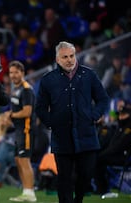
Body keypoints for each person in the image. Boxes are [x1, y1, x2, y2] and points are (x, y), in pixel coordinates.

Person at [35, 41, 109, 203]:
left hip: (87, 135)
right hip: (61, 138)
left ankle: (79, 200)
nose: (69, 60)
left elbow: (103, 99)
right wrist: (51, 123)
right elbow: (40, 108)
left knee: (86, 175)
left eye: (72, 56)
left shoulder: (89, 75)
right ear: (57, 59)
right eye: (65, 57)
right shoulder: (48, 80)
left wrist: (95, 115)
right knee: (64, 178)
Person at [5, 60, 37, 202]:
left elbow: (27, 112)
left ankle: (30, 193)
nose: (13, 75)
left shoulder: (26, 89)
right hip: (18, 130)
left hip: (26, 130)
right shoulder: (16, 89)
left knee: (24, 160)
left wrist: (11, 115)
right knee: (19, 160)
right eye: (11, 72)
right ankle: (25, 191)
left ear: (22, 73)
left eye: (16, 72)